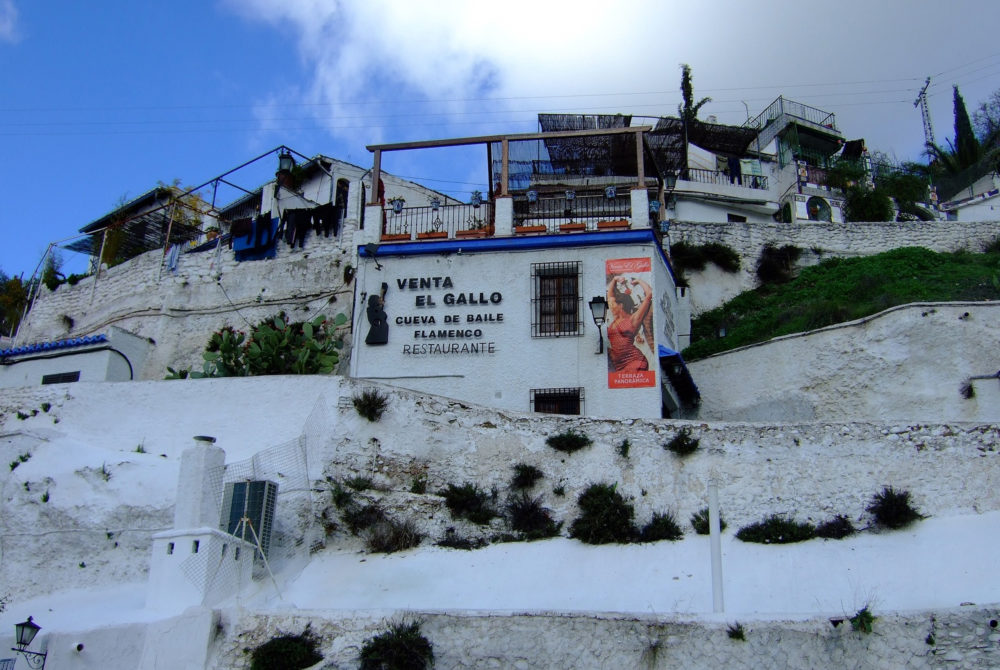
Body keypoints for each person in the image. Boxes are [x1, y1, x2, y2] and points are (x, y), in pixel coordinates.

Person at [606, 275, 653, 373]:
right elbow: (610, 296)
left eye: (613, 304)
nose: (611, 306)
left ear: (621, 305)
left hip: (635, 362)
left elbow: (649, 295)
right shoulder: (616, 319)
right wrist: (615, 279)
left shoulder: (633, 319)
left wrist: (639, 280)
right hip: (619, 365)